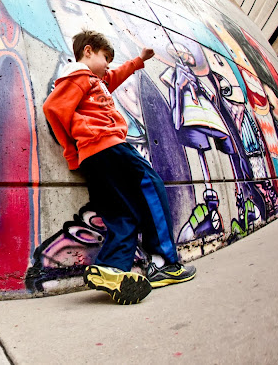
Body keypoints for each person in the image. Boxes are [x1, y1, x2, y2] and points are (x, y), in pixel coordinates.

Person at [43, 30, 196, 304]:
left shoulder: (94, 81)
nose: (108, 67)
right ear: (88, 51)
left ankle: (111, 267)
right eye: (105, 58)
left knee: (122, 213)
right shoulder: (79, 76)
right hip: (108, 146)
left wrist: (138, 61)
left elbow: (112, 78)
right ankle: (164, 262)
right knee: (151, 184)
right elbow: (53, 108)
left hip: (96, 157)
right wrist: (70, 151)